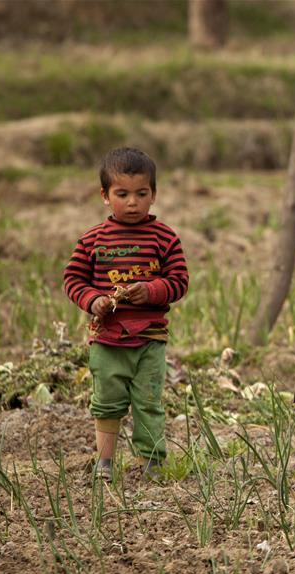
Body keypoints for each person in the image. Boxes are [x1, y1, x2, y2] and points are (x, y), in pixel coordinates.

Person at [64, 147, 189, 481]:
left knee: (149, 402)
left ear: (154, 194)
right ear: (105, 196)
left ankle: (152, 465)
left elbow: (179, 282)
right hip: (107, 339)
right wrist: (93, 301)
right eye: (122, 194)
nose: (132, 202)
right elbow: (73, 280)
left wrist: (150, 290)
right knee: (107, 402)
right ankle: (104, 463)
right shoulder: (93, 240)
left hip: (149, 339)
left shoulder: (164, 238)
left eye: (141, 193)